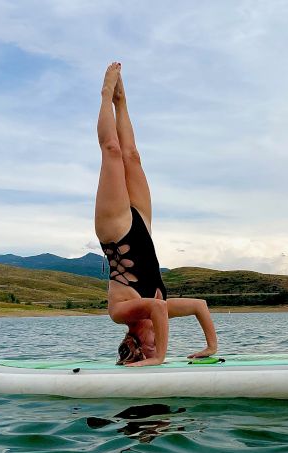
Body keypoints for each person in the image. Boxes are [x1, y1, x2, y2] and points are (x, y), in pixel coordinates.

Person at [95, 62, 218, 366]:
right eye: (156, 348)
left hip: (115, 234)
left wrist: (159, 359)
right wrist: (210, 347)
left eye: (149, 347)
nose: (157, 343)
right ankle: (121, 102)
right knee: (132, 156)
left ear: (136, 339)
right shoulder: (159, 306)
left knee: (112, 150)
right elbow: (200, 306)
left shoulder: (121, 314)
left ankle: (105, 94)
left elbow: (158, 311)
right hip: (142, 229)